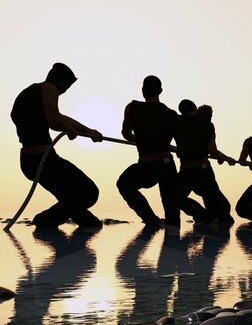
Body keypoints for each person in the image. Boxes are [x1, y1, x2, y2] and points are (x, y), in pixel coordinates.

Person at [10, 62, 104, 229]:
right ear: (62, 83)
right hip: (43, 161)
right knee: (89, 193)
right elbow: (55, 121)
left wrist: (89, 132)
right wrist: (67, 129)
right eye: (67, 87)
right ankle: (42, 221)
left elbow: (59, 117)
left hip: (30, 162)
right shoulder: (49, 88)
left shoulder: (30, 94)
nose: (65, 91)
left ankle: (87, 224)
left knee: (73, 203)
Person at [116, 75, 179, 227]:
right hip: (166, 164)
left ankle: (151, 220)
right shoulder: (171, 114)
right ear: (161, 91)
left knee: (124, 184)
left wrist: (140, 140)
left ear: (143, 90)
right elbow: (178, 142)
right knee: (171, 208)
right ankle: (170, 229)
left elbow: (125, 133)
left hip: (146, 166)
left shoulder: (132, 108)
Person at [173, 99, 235, 224]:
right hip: (203, 170)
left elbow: (170, 146)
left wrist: (224, 157)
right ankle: (211, 216)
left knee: (174, 198)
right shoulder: (208, 125)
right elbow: (212, 151)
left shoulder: (176, 122)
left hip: (186, 170)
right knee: (218, 204)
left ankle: (203, 215)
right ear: (195, 109)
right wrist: (225, 158)